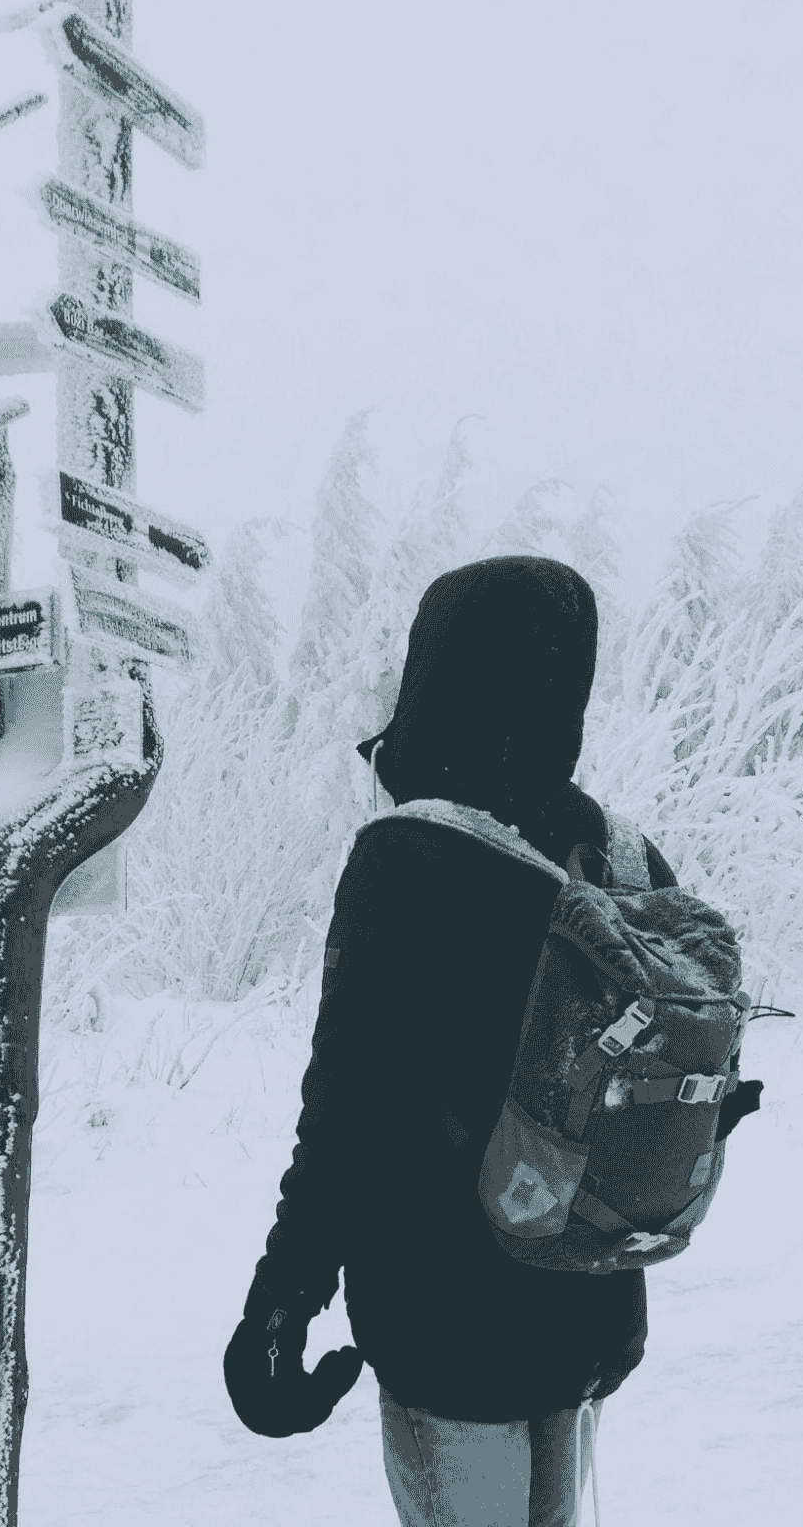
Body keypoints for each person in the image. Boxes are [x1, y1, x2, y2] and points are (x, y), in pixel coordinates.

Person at [221, 556, 759, 1527]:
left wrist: (282, 1295)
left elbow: (344, 1110)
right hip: (588, 1307)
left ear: (440, 670)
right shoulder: (624, 854)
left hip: (449, 1330)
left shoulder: (409, 856)